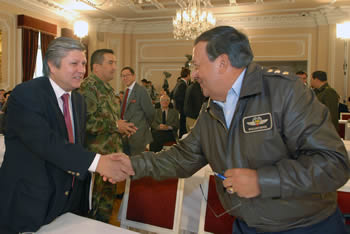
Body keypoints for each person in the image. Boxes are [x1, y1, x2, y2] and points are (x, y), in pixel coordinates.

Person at [110, 26, 350, 233]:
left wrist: (262, 180)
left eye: (196, 65)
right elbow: (182, 157)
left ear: (222, 63)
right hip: (246, 225)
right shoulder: (211, 108)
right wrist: (132, 164)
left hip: (305, 227)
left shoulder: (285, 93)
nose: (193, 74)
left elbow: (333, 163)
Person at [0, 37, 134, 233]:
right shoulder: (26, 94)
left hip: (66, 206)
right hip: (28, 204)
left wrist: (104, 165)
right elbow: (48, 143)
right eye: (74, 63)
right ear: (52, 66)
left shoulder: (78, 100)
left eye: (83, 64)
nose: (81, 70)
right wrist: (99, 163)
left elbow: (75, 145)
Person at [79, 49, 137, 224]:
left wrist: (122, 127)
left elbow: (108, 120)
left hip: (110, 157)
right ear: (96, 67)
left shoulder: (108, 89)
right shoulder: (88, 87)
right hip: (96, 161)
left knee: (106, 208)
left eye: (115, 62)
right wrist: (114, 125)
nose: (114, 67)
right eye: (110, 63)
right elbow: (86, 123)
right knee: (92, 208)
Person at [120, 66, 155, 155]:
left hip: (138, 134)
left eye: (127, 75)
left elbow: (150, 112)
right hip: (126, 134)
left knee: (138, 163)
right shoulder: (126, 91)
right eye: (123, 76)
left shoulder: (141, 90)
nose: (125, 78)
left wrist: (143, 127)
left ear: (134, 76)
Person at [173, 67, 191, 138]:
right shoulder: (182, 84)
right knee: (182, 128)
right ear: (188, 75)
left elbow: (172, 94)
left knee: (182, 127)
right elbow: (177, 96)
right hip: (182, 109)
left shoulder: (179, 83)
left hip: (180, 109)